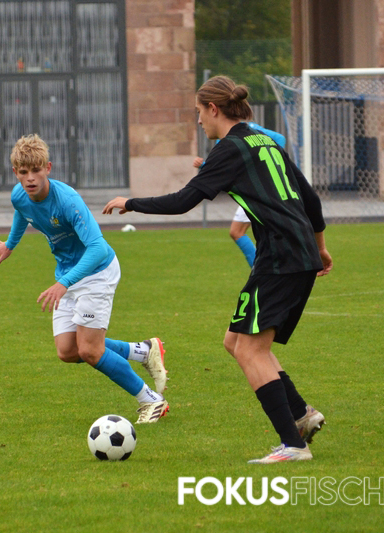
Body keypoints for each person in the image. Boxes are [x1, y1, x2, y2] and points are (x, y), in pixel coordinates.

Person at [103, 76, 333, 463]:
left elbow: (183, 201)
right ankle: (301, 414)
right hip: (292, 253)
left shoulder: (230, 149)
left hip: (281, 256)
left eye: (198, 112)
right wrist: (321, 247)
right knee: (235, 341)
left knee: (251, 349)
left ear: (213, 109)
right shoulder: (264, 141)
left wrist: (132, 202)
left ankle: (293, 445)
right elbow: (310, 199)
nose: (198, 121)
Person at [0, 134, 169, 424]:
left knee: (90, 350)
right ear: (15, 172)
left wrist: (64, 283)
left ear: (48, 168)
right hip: (68, 274)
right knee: (68, 351)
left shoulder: (67, 201)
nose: (30, 178)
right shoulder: (19, 194)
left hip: (97, 273)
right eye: (23, 172)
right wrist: (10, 244)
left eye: (36, 170)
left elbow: (97, 248)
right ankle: (143, 350)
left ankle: (151, 400)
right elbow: (23, 212)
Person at [193, 123, 287, 268]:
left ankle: (263, 269)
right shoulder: (222, 139)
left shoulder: (249, 129)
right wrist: (204, 165)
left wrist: (270, 162)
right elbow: (224, 169)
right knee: (241, 231)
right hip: (252, 192)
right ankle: (263, 268)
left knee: (242, 231)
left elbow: (280, 139)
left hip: (260, 191)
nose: (200, 121)